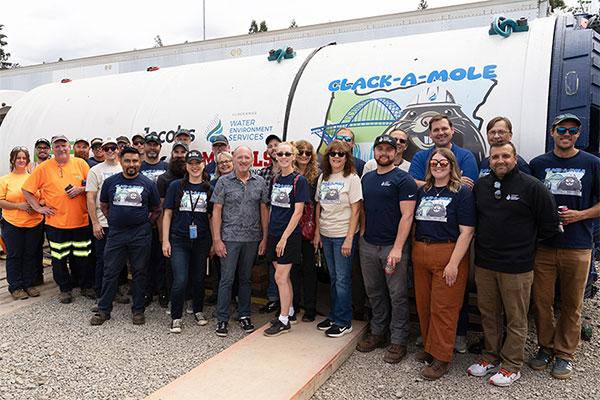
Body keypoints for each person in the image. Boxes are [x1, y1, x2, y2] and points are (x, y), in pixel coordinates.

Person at [467, 142, 559, 387]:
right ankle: (490, 357)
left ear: (515, 158)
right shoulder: (481, 186)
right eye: (495, 156)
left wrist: (524, 246)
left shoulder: (532, 187)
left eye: (505, 156)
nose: (500, 160)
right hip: (485, 263)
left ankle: (511, 366)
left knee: (515, 318)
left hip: (517, 267)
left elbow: (549, 226)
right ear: (489, 159)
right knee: (489, 314)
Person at [529, 114, 600, 379]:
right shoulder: (539, 164)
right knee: (542, 302)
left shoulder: (592, 164)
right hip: (544, 247)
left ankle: (565, 354)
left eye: (572, 130)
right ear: (552, 132)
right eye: (562, 129)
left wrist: (580, 215)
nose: (566, 134)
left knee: (572, 304)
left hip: (579, 246)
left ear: (578, 135)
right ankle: (545, 347)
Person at [412, 148, 475, 380]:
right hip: (421, 251)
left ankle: (442, 358)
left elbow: (467, 232)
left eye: (443, 162)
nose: (438, 166)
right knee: (425, 304)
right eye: (434, 162)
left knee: (444, 308)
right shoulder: (424, 190)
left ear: (452, 165)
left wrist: (454, 263)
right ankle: (430, 348)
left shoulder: (461, 192)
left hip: (447, 252)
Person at [357, 135, 417, 363]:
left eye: (388, 149)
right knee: (374, 292)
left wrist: (398, 248)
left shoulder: (404, 180)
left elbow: (408, 215)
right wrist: (362, 233)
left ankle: (398, 340)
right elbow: (363, 208)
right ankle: (378, 333)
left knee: (397, 295)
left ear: (396, 152)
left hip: (392, 247)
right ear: (374, 151)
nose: (384, 153)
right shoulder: (367, 178)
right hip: (369, 245)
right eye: (379, 148)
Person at [91, 147, 160, 326]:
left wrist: (144, 224)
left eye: (135, 161)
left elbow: (156, 210)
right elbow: (104, 205)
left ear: (140, 162)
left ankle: (138, 310)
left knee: (139, 273)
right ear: (121, 161)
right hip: (116, 234)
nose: (132, 164)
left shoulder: (148, 184)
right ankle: (104, 310)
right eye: (128, 161)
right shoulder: (111, 182)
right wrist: (114, 220)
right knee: (110, 272)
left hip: (140, 235)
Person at [22, 135, 93, 303]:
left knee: (82, 256)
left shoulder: (81, 164)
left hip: (80, 221)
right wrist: (39, 208)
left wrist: (80, 189)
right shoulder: (43, 168)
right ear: (53, 149)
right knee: (59, 258)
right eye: (57, 146)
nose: (61, 148)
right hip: (56, 223)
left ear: (69, 147)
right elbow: (27, 190)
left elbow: (92, 186)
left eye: (64, 145)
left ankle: (85, 286)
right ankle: (65, 289)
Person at [211, 146, 269, 337]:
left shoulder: (259, 182)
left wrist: (265, 238)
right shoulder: (223, 181)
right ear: (233, 159)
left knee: (245, 279)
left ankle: (244, 315)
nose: (244, 160)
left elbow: (263, 211)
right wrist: (217, 240)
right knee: (226, 279)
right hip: (229, 238)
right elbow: (217, 211)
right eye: (240, 157)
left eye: (247, 157)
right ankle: (222, 319)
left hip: (252, 238)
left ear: (252, 160)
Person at [313, 140, 362, 336]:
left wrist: (350, 238)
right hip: (326, 234)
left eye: (341, 154)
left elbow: (356, 209)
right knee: (333, 278)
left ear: (346, 157)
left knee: (342, 280)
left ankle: (344, 321)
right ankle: (334, 315)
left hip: (343, 235)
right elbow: (318, 205)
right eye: (332, 153)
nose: (336, 157)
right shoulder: (323, 177)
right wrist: (317, 232)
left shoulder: (352, 178)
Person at [163, 150, 213, 333]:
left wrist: (214, 241)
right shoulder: (176, 186)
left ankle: (198, 310)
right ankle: (176, 316)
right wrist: (165, 241)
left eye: (198, 162)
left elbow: (211, 217)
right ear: (186, 166)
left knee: (199, 278)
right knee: (181, 279)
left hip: (201, 239)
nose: (194, 166)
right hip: (179, 238)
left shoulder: (209, 188)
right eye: (191, 163)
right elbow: (167, 213)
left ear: (203, 164)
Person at [264, 142, 309, 336]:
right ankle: (289, 311)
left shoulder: (299, 180)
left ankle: (283, 321)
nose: (283, 156)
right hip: (274, 233)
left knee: (280, 277)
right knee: (283, 276)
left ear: (293, 156)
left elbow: (298, 212)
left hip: (288, 236)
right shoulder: (275, 179)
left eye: (287, 153)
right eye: (279, 153)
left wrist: (283, 238)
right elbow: (272, 208)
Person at [85, 137, 127, 300]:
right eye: (107, 148)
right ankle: (101, 292)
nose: (110, 151)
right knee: (103, 260)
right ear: (101, 150)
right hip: (103, 222)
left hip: (121, 224)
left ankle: (114, 290)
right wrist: (95, 223)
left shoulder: (124, 167)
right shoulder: (95, 170)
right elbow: (90, 198)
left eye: (113, 148)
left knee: (119, 261)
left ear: (118, 149)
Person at [0, 147, 44, 300]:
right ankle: (16, 287)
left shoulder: (33, 178)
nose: (21, 160)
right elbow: (0, 201)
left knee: (30, 254)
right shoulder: (5, 180)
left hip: (34, 223)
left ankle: (29, 284)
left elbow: (43, 197)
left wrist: (36, 205)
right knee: (14, 255)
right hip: (13, 223)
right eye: (18, 158)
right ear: (12, 160)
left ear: (27, 161)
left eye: (24, 158)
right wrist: (18, 206)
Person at [291, 139, 320, 322]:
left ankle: (310, 308)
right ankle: (292, 305)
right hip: (291, 228)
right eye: (300, 152)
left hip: (309, 228)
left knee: (310, 270)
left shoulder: (318, 176)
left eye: (308, 153)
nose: (303, 155)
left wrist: (317, 232)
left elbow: (319, 205)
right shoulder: (288, 174)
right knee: (292, 269)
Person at [408, 114, 479, 188]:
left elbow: (469, 186)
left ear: (452, 130)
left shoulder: (466, 156)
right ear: (430, 135)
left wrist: (427, 184)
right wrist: (454, 182)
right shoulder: (420, 157)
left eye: (444, 129)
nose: (441, 133)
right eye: (436, 130)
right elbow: (413, 184)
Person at [140, 133, 168, 307]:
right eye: (149, 145)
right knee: (144, 260)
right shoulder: (138, 166)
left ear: (160, 147)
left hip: (163, 221)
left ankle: (163, 292)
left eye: (155, 145)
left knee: (162, 260)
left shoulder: (167, 166)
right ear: (144, 147)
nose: (152, 148)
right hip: (144, 221)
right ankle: (147, 292)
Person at [256, 134, 282, 314]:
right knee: (271, 261)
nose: (273, 148)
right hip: (269, 224)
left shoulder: (290, 171)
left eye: (276, 145)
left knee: (287, 265)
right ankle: (273, 299)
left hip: (286, 224)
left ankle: (289, 301)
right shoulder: (262, 173)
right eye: (270, 146)